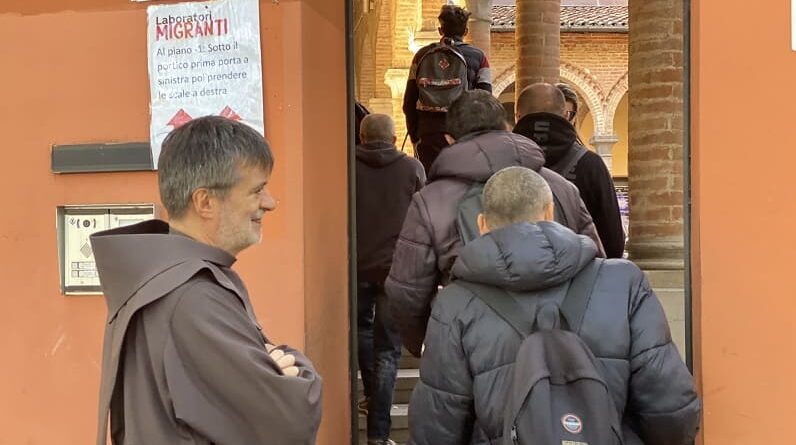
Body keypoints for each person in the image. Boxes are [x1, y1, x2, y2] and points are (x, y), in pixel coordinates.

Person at [408, 166, 701, 445]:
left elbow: (438, 423)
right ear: (550, 213)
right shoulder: (624, 282)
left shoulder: (455, 302)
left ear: (482, 224)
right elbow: (670, 403)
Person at [91, 116, 322, 445]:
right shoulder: (192, 297)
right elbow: (290, 419)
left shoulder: (157, 276)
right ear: (205, 202)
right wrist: (298, 367)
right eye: (256, 190)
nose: (269, 203)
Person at [386, 89, 603, 357]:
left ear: (449, 139)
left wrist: (428, 342)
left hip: (474, 347)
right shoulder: (560, 188)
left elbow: (406, 291)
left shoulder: (430, 202)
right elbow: (595, 265)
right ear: (506, 126)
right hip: (562, 345)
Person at [356, 114, 425, 445]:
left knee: (360, 333)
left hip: (355, 268)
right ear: (394, 135)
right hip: (395, 270)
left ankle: (371, 392)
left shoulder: (346, 167)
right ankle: (378, 436)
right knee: (388, 351)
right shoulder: (412, 169)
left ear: (362, 136)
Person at [514, 82, 626, 258]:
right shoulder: (590, 165)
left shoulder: (501, 162)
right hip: (578, 277)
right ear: (566, 115)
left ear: (517, 116)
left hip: (514, 276)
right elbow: (612, 241)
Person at [403, 4, 492, 172]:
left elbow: (409, 102)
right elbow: (486, 102)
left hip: (428, 134)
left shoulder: (421, 56)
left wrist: (416, 137)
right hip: (464, 135)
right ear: (465, 31)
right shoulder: (479, 57)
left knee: (432, 186)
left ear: (440, 30)